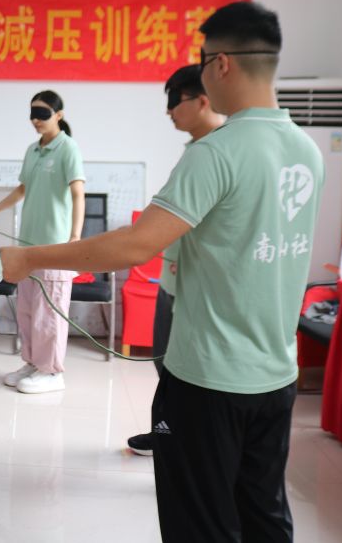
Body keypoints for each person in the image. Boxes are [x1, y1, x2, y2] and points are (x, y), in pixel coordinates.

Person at [0, 1, 323, 542]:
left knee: (200, 523)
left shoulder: (216, 154)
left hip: (210, 380)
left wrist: (31, 257)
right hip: (276, 376)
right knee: (263, 515)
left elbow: (134, 245)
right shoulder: (306, 151)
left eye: (202, 62)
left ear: (221, 64)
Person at [126, 64, 225, 458]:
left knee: (186, 374)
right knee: (164, 362)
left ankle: (180, 440)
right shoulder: (194, 152)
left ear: (202, 100)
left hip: (198, 292)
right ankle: (166, 432)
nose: (168, 111)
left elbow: (139, 241)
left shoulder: (219, 154)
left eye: (174, 101)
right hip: (172, 281)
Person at [0, 90, 84, 393]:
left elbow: (78, 194)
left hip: (55, 246)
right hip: (28, 246)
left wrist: (75, 238)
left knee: (49, 311)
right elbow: (22, 189)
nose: (35, 120)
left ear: (59, 116)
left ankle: (51, 372)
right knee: (28, 309)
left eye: (42, 114)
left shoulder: (68, 149)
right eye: (32, 114)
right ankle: (32, 363)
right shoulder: (33, 150)